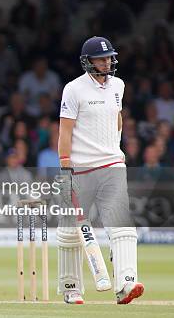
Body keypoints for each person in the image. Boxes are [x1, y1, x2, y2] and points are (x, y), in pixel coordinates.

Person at [57, 36, 143, 304]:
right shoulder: (73, 89)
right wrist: (65, 166)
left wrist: (115, 152)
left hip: (112, 164)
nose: (107, 62)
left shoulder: (118, 85)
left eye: (109, 58)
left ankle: (126, 285)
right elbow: (65, 130)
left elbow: (117, 119)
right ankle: (71, 288)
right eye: (101, 58)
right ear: (88, 61)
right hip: (80, 168)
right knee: (71, 232)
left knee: (122, 227)